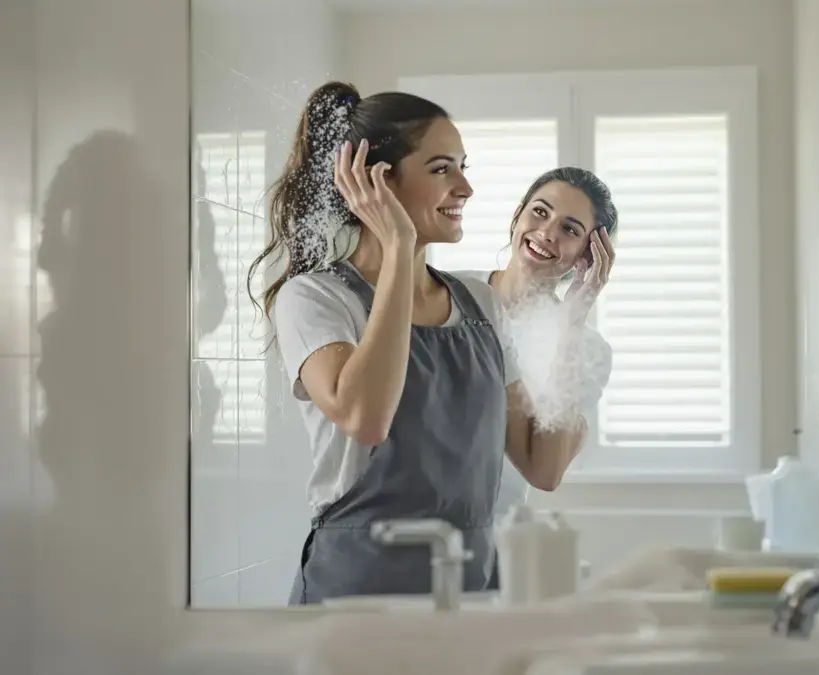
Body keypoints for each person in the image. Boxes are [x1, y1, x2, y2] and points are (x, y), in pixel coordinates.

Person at [249, 81, 583, 605]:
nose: (465, 189)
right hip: (359, 591)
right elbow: (365, 416)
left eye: (462, 167)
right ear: (373, 180)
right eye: (441, 168)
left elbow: (543, 465)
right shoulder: (314, 299)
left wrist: (575, 321)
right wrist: (398, 243)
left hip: (470, 586)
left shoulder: (481, 304)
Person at [453, 167, 618, 525]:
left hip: (494, 536)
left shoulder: (587, 350)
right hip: (406, 524)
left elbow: (547, 472)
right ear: (517, 215)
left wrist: (573, 320)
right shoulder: (446, 292)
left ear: (586, 257)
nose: (546, 233)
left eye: (569, 229)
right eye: (540, 212)